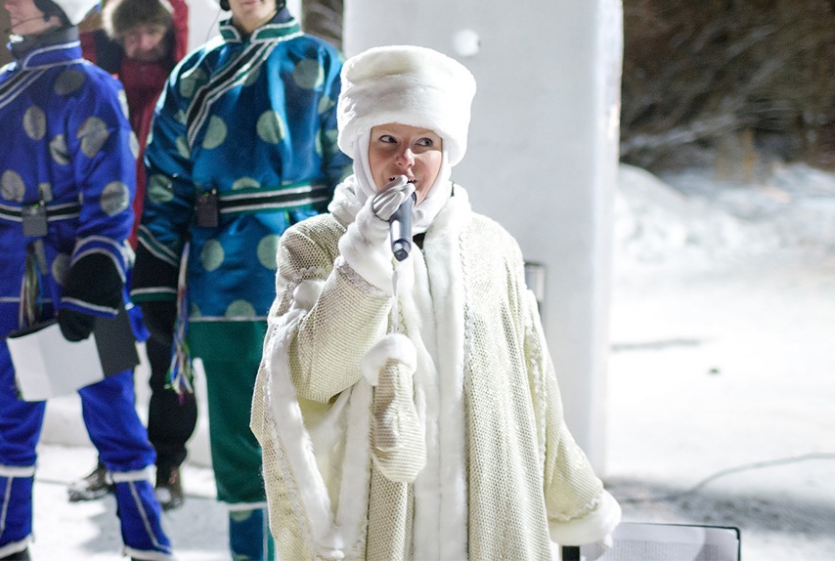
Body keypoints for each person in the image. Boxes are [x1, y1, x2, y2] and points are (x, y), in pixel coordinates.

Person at [250, 45, 623, 560]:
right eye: (387, 139)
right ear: (360, 144)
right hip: (380, 524)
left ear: (447, 152)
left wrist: (575, 500)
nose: (405, 159)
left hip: (490, 516)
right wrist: (364, 255)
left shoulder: (492, 247)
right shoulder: (314, 243)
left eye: (424, 142)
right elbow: (308, 379)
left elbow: (534, 386)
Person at [129, 0, 349, 558]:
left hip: (307, 273)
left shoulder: (321, 63)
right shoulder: (192, 75)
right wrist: (155, 275)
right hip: (217, 280)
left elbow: (348, 175)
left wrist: (357, 269)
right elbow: (165, 186)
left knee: (310, 434)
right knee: (237, 437)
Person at [0, 0, 173, 559]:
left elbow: (113, 194)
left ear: (55, 7)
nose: (9, 1)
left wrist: (94, 276)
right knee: (11, 413)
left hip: (80, 278)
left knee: (114, 416)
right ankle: (6, 540)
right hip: (7, 276)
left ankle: (146, 545)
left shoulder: (95, 87)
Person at [68, 0, 196, 511]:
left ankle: (167, 465)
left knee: (169, 355)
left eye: (150, 32)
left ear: (168, 32)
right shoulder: (101, 86)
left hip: (165, 241)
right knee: (106, 356)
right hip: (107, 238)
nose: (141, 44)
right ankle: (112, 458)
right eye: (131, 34)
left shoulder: (187, 88)